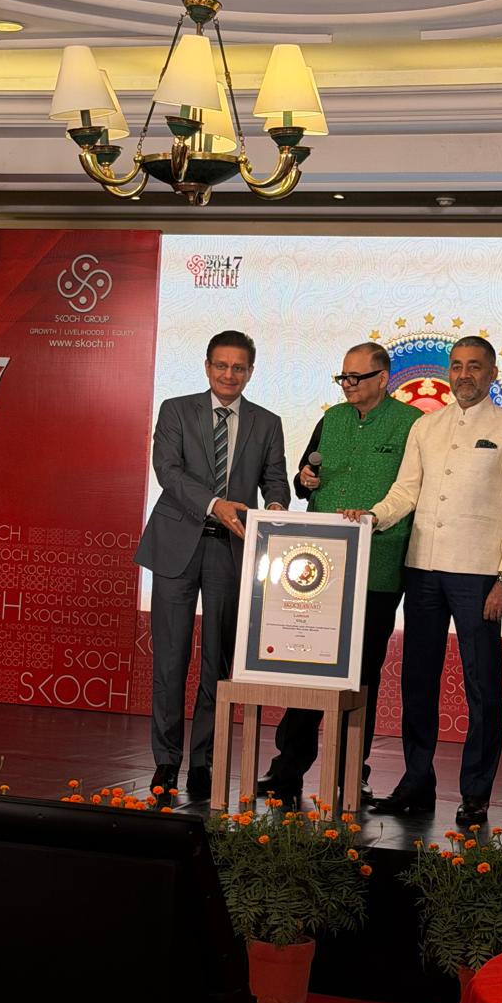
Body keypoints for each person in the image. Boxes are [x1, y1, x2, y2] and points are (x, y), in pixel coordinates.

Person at [344, 336, 502, 828]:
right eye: (456, 366)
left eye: (475, 366)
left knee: (481, 685)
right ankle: (416, 782)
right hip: (423, 568)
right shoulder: (426, 426)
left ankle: (475, 793)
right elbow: (405, 491)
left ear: (492, 374)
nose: (464, 374)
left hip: (479, 574)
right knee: (417, 680)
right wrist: (372, 516)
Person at [257, 342, 422, 804]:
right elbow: (303, 479)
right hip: (322, 567)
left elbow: (414, 491)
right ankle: (287, 769)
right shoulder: (331, 419)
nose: (347, 385)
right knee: (309, 667)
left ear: (383, 378)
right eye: (343, 377)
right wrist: (304, 480)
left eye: (356, 377)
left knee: (361, 674)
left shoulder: (412, 424)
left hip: (378, 565)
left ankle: (351, 773)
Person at [135, 330, 290, 799]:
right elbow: (168, 471)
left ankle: (203, 761)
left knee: (217, 664)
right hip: (176, 546)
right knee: (170, 659)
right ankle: (166, 761)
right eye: (221, 365)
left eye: (238, 367)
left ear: (250, 372)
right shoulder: (176, 410)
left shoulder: (268, 422)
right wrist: (214, 504)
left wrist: (276, 508)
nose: (229, 375)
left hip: (231, 549)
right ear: (207, 367)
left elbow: (275, 479)